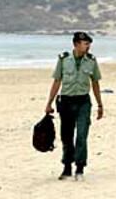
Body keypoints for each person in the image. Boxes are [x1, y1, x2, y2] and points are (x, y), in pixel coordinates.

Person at [44, 31, 103, 181]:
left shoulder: (91, 60)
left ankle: (80, 168)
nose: (88, 46)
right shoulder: (63, 60)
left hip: (83, 102)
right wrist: (49, 103)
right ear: (76, 44)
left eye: (89, 43)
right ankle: (67, 167)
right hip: (66, 102)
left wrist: (100, 104)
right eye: (85, 44)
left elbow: (95, 82)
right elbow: (57, 81)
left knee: (82, 135)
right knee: (67, 136)